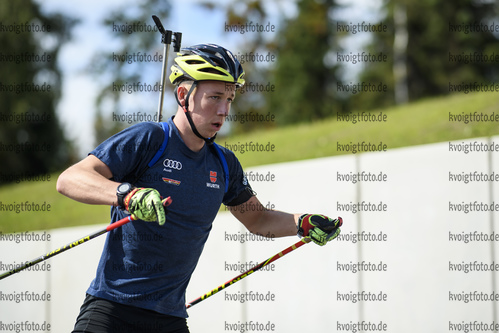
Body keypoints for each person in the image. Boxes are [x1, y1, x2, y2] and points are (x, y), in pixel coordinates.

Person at [57, 43, 342, 333]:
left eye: (229, 99)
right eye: (215, 97)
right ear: (184, 95)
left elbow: (258, 219)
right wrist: (127, 195)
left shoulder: (224, 163)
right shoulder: (150, 139)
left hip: (170, 319)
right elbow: (70, 179)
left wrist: (302, 223)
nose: (224, 110)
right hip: (112, 311)